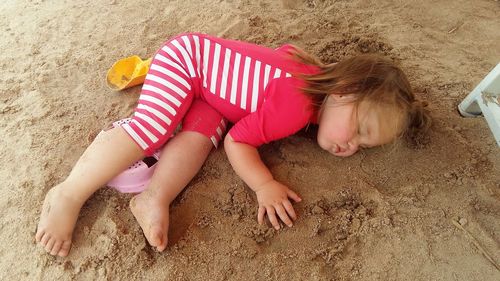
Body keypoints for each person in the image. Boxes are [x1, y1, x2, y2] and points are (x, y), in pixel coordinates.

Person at [35, 32, 430, 257]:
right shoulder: (294, 106)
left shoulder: (312, 81)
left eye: (364, 145)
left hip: (213, 96)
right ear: (343, 90)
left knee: (201, 136)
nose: (351, 146)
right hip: (185, 62)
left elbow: (281, 55)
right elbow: (239, 142)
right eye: (359, 129)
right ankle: (68, 194)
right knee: (154, 127)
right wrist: (264, 185)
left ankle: (153, 198)